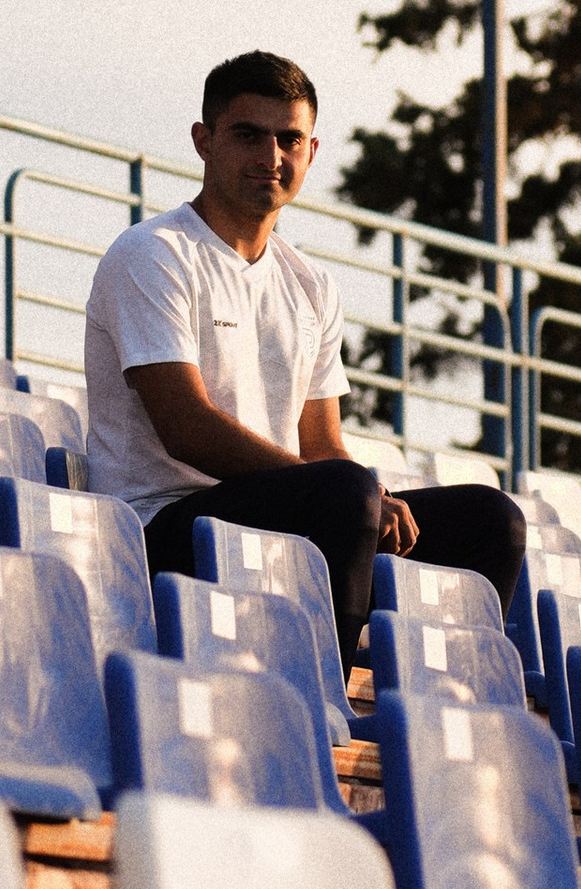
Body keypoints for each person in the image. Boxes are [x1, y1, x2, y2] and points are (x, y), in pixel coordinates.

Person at [82, 49, 527, 663]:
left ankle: (454, 712)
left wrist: (374, 500)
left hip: (283, 513)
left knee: (489, 517)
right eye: (247, 135)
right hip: (162, 527)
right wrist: (346, 494)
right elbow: (185, 428)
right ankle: (322, 697)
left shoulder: (312, 285)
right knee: (345, 492)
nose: (271, 157)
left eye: (289, 139)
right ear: (204, 142)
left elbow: (322, 445)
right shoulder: (153, 254)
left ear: (311, 153)